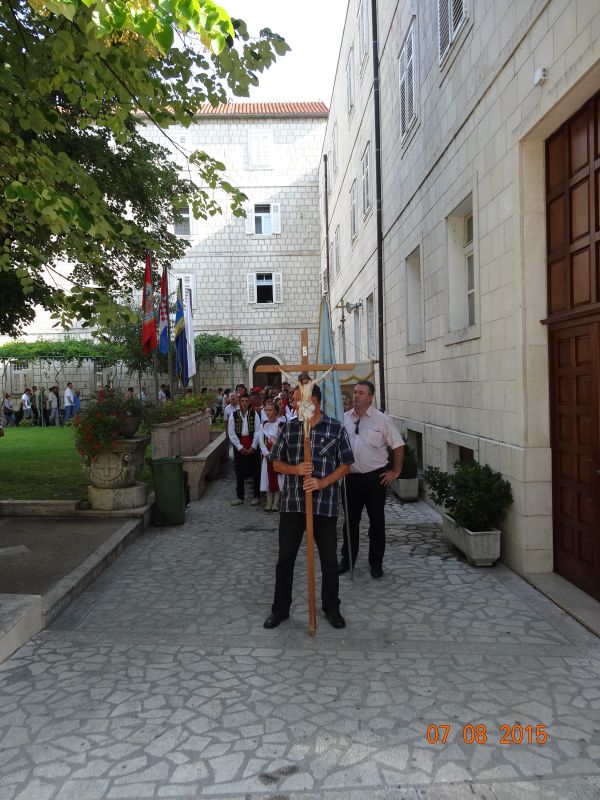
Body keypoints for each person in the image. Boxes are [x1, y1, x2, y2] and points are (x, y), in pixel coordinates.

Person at [263, 383, 354, 630]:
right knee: (285, 559)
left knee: (329, 560)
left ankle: (331, 608)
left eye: (296, 399)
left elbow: (346, 464)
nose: (292, 404)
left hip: (324, 506)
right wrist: (296, 469)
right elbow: (275, 463)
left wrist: (322, 482)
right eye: (293, 399)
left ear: (312, 401)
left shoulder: (335, 428)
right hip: (293, 505)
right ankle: (280, 610)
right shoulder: (289, 428)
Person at [339, 380, 405, 579]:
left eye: (361, 392)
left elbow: (398, 446)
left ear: (370, 397)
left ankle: (376, 563)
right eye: (355, 392)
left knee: (377, 523)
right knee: (350, 523)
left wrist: (395, 472)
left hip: (375, 479)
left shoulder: (382, 420)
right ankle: (347, 560)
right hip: (350, 479)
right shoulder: (344, 419)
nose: (356, 396)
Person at [228, 394, 261, 506]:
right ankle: (240, 497)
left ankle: (256, 496)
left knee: (255, 471)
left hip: (252, 444)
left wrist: (253, 446)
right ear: (239, 402)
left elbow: (258, 431)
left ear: (249, 402)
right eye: (242, 401)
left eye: (246, 401)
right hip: (240, 444)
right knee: (239, 471)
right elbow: (231, 433)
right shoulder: (233, 415)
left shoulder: (254, 414)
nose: (244, 403)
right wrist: (239, 447)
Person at [258, 400, 284, 511]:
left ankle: (276, 503)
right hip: (267, 457)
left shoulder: (281, 425)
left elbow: (283, 441)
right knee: (267, 478)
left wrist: (276, 454)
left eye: (270, 410)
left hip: (277, 456)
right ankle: (269, 502)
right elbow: (261, 442)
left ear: (276, 411)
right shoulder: (263, 425)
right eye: (266, 410)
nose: (268, 412)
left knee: (278, 478)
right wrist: (267, 454)